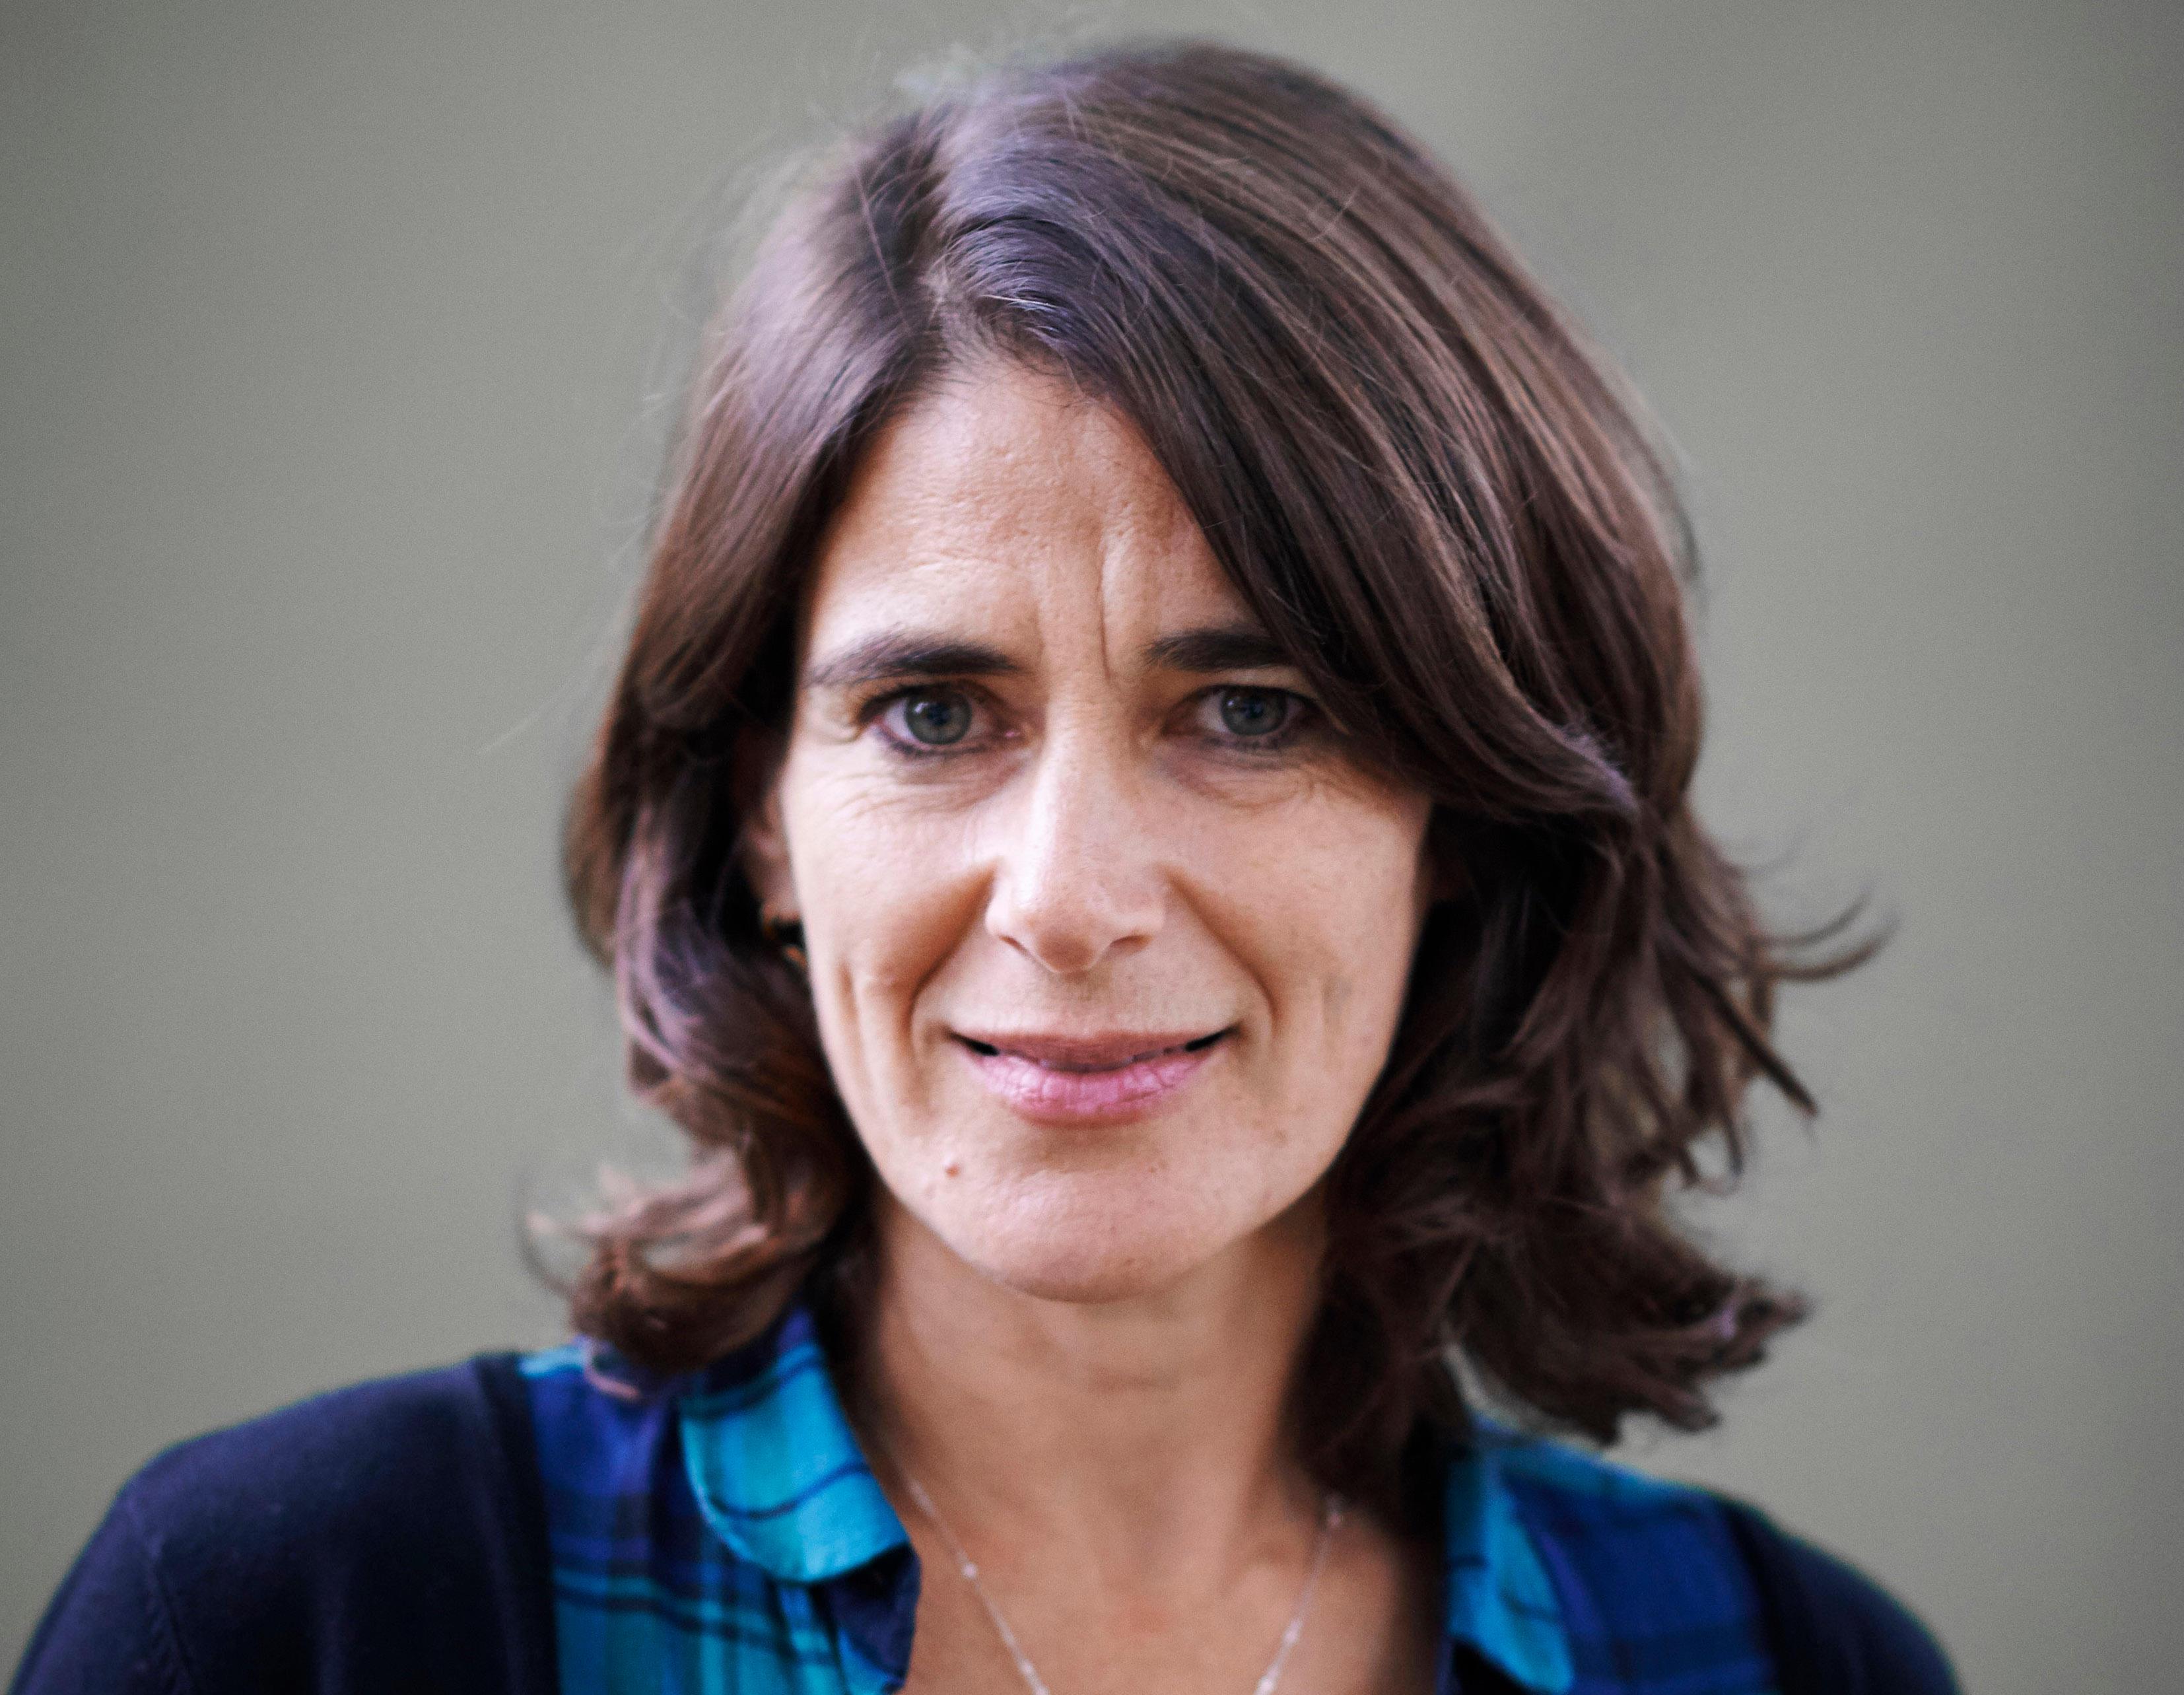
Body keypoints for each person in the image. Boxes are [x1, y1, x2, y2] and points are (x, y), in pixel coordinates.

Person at [12, 39, 1958, 1695]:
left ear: (1464, 814)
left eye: (1252, 710)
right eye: (935, 713)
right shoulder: (304, 1619)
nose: (1066, 900)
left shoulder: (1779, 1666)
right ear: (763, 814)